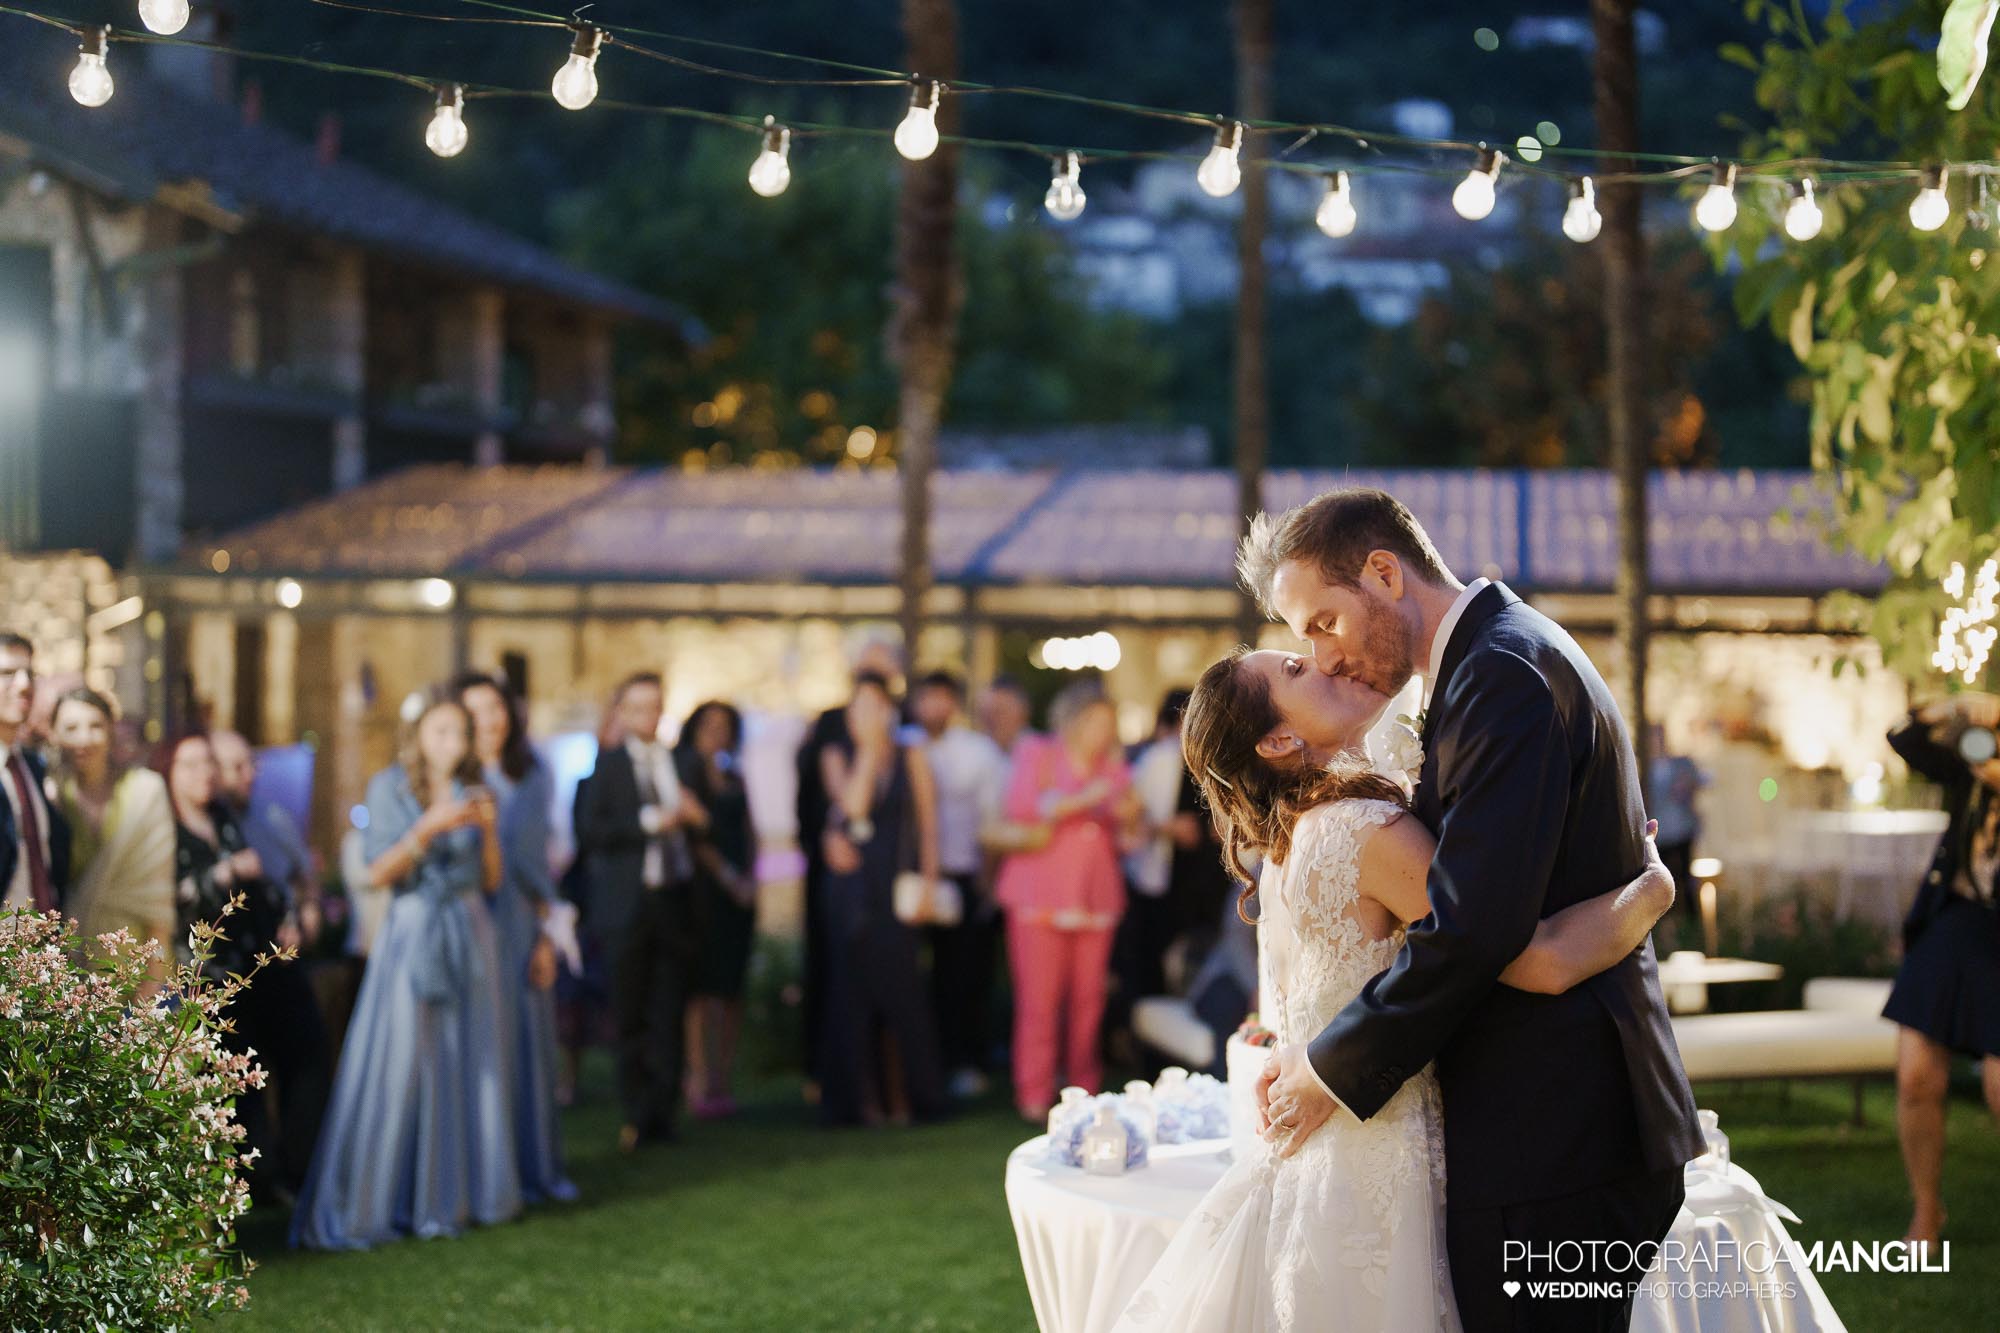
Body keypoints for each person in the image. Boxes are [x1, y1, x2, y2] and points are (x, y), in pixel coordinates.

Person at [1236, 488, 1700, 1332]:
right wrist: (1649, 894)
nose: (1324, 656)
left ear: (1384, 573)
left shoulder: (1500, 673)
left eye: (1325, 624)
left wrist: (1330, 1067)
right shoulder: (1491, 660)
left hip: (1560, 1133)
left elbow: (1473, 928)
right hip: (1548, 1129)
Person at [1112, 643, 1677, 1331]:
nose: (1323, 661)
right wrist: (1653, 887)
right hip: (1383, 1166)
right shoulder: (1365, 830)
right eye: (1295, 669)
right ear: (1279, 739)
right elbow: (1540, 960)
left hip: (1322, 1161)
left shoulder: (1288, 844)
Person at [291, 693, 520, 1248]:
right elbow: (374, 873)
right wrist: (429, 829)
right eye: (442, 732)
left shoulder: (476, 789)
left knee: (471, 1055)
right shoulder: (389, 788)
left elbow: (492, 880)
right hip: (413, 931)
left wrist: (489, 831)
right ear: (418, 736)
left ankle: (467, 1192)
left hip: (470, 929)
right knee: (402, 1058)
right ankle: (387, 1195)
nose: (453, 744)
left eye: (461, 733)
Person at [166, 731, 330, 1199]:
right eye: (192, 764)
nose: (205, 774)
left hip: (261, 963)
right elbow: (174, 896)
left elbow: (279, 883)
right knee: (237, 1083)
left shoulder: (227, 818)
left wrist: (295, 915)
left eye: (209, 764)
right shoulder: (169, 827)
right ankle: (254, 1181)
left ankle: (293, 1172)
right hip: (212, 978)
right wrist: (228, 871)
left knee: (304, 1056)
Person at [1882, 691, 2000, 1247]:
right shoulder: (1973, 763)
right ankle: (1927, 1212)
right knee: (1916, 1077)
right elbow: (1903, 739)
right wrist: (1961, 704)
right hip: (1957, 920)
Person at [456, 671, 576, 1204]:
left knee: (522, 1043)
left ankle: (526, 1169)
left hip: (519, 922)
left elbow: (540, 867)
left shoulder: (533, 775)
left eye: (496, 707)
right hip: (465, 922)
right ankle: (473, 1173)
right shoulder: (450, 777)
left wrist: (547, 937)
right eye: (476, 710)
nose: (489, 720)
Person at [995, 679, 1139, 1123]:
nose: (1102, 732)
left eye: (1108, 724)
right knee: (1039, 1001)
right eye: (1095, 722)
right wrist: (1083, 800)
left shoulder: (1114, 767)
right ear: (1073, 719)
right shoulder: (1038, 754)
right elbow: (1022, 807)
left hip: (1096, 896)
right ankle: (1034, 1092)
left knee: (1088, 1001)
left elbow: (1129, 833)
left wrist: (1129, 816)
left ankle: (1083, 1090)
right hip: (1039, 895)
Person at [576, 671, 708, 1154]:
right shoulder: (607, 766)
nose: (647, 716)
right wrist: (650, 822)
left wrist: (697, 818)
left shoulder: (683, 762)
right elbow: (590, 831)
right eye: (637, 707)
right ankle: (635, 1113)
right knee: (630, 1014)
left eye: (654, 706)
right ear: (623, 713)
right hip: (627, 905)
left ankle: (665, 1113)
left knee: (670, 1012)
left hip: (674, 900)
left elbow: (708, 826)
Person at [817, 671, 948, 1126]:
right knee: (851, 996)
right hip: (853, 890)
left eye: (876, 707)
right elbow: (852, 806)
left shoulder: (913, 755)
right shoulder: (837, 755)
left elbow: (928, 825)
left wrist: (929, 882)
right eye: (860, 709)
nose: (868, 717)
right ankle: (860, 1102)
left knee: (903, 992)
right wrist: (871, 750)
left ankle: (910, 1097)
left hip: (897, 886)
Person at [796, 639, 904, 1099]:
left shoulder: (906, 742)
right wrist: (827, 835)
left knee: (896, 984)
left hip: (892, 877)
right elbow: (834, 803)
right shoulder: (831, 735)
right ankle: (837, 1081)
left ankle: (894, 1089)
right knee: (839, 979)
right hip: (842, 876)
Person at [908, 670, 1009, 1099]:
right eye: (926, 697)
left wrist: (986, 882)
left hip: (964, 877)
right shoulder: (903, 745)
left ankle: (966, 1062)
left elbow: (993, 819)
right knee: (914, 978)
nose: (934, 706)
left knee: (964, 975)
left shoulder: (978, 752)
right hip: (908, 880)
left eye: (942, 697)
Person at [48, 688, 175, 984]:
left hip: (136, 959)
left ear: (111, 731)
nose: (84, 738)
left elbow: (158, 897)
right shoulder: (49, 797)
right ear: (54, 735)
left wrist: (152, 985)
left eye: (95, 726)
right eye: (71, 728)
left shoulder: (146, 791)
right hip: (66, 970)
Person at [674, 700, 758, 1118]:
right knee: (701, 987)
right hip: (705, 892)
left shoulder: (735, 778)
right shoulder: (687, 777)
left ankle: (723, 1075)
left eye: (724, 725)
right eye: (709, 724)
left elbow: (750, 830)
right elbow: (695, 840)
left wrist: (752, 877)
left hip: (739, 893)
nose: (717, 732)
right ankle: (699, 1075)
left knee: (730, 986)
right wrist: (728, 877)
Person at [1113, 690, 1192, 1050]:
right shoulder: (1160, 759)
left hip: (1166, 881)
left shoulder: (1158, 758)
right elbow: (1132, 817)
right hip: (1157, 880)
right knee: (1153, 966)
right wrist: (1167, 828)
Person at [211, 730, 322, 950]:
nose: (250, 775)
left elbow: (303, 873)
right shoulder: (203, 825)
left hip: (275, 949)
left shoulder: (273, 817)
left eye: (252, 764)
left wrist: (309, 910)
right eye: (238, 767)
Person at [0, 632, 69, 920]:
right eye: (7, 673)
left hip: (38, 940)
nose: (24, 684)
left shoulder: (31, 765)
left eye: (29, 673)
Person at [1647, 723, 1707, 921]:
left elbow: (1701, 780)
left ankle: (1691, 919)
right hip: (1661, 834)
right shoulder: (1645, 769)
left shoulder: (1681, 763)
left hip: (1683, 829)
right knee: (1663, 877)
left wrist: (1687, 784)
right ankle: (1668, 921)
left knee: (1686, 875)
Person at [976, 674, 1035, 758]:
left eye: (999, 712)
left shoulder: (1040, 752)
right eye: (987, 713)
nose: (991, 720)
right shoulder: (979, 750)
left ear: (1022, 714)